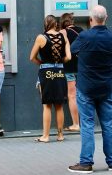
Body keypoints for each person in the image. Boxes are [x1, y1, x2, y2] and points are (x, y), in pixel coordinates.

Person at [68, 5, 112, 173]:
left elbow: (72, 51)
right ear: (106, 17)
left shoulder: (84, 36)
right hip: (106, 87)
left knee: (88, 125)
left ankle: (86, 163)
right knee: (108, 125)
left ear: (91, 19)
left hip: (86, 88)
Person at [30, 15, 71, 143]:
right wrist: (59, 63)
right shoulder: (63, 37)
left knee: (47, 105)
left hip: (46, 72)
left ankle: (46, 136)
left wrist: (42, 64)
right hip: (59, 71)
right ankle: (60, 135)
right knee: (59, 105)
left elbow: (32, 57)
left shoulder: (41, 37)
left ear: (46, 24)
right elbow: (68, 57)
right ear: (56, 24)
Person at [59, 13, 83, 132]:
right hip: (82, 68)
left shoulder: (63, 32)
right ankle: (86, 122)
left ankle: (76, 124)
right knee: (83, 95)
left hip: (69, 68)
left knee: (72, 96)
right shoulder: (82, 31)